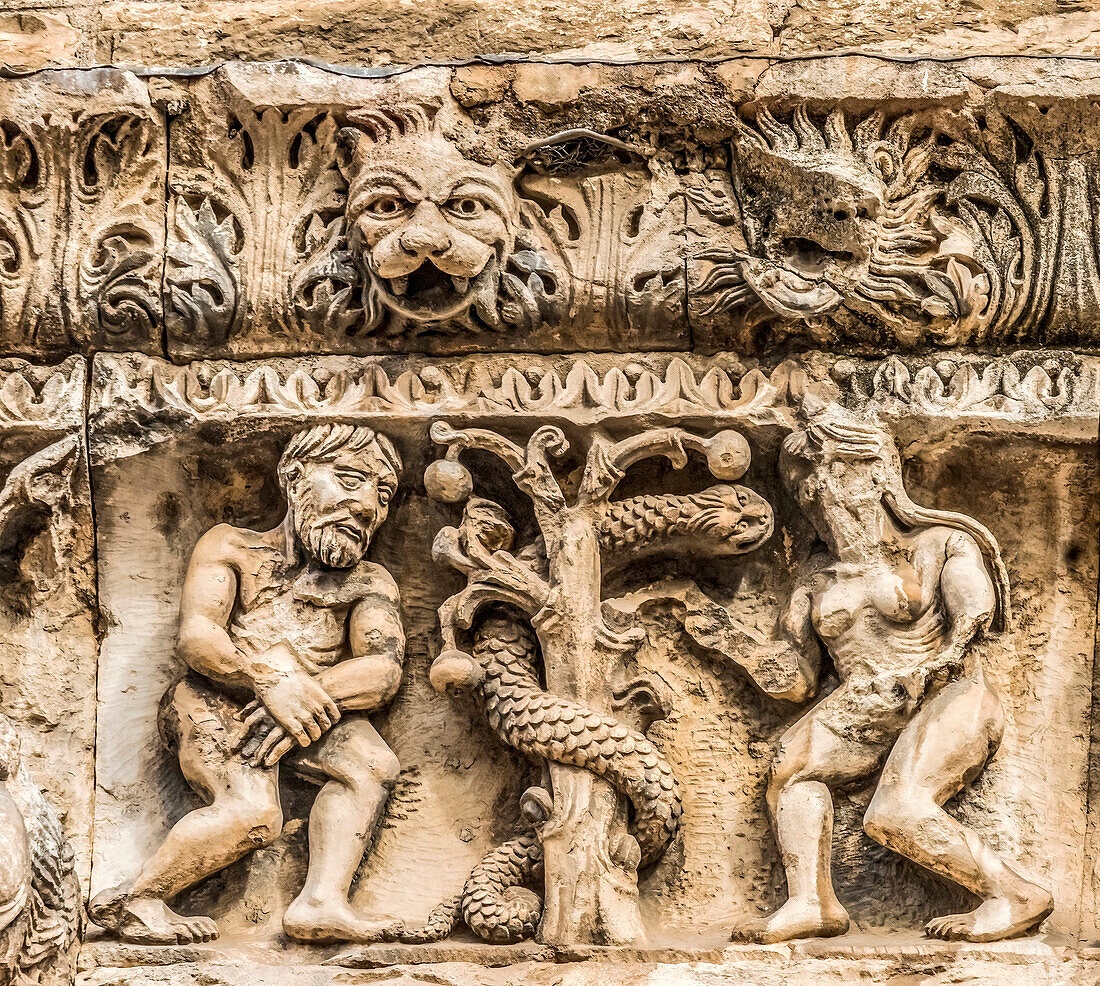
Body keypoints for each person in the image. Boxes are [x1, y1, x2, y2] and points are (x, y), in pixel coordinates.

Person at [736, 398, 1052, 944]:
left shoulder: (940, 544)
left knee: (896, 810)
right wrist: (732, 645)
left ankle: (1017, 895)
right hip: (863, 702)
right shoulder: (816, 579)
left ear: (878, 475)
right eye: (810, 490)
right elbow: (799, 681)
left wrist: (935, 665)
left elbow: (973, 615)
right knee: (790, 771)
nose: (823, 499)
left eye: (837, 478)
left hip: (946, 690)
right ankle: (812, 902)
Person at [90, 424, 406, 945]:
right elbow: (199, 635)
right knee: (253, 813)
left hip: (310, 711)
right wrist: (270, 682)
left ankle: (321, 902)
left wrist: (308, 695)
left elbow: (381, 670)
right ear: (294, 478)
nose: (368, 506)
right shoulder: (232, 546)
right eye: (349, 478)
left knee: (373, 765)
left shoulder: (369, 581)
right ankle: (137, 897)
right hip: (217, 703)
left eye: (383, 494)